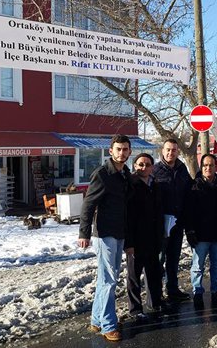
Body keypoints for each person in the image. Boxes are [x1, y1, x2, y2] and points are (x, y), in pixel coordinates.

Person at [78, 134, 134, 342]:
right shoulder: (102, 174)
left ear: (129, 151)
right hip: (105, 233)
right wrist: (84, 233)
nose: (122, 153)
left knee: (106, 279)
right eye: (118, 149)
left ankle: (97, 320)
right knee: (109, 280)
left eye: (125, 149)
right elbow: (88, 205)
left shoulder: (125, 174)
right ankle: (108, 325)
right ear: (111, 151)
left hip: (120, 232)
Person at [152, 138, 193, 301]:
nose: (171, 153)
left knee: (174, 258)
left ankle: (173, 289)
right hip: (161, 224)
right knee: (159, 259)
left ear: (178, 152)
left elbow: (189, 194)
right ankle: (156, 292)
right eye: (168, 149)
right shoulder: (155, 170)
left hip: (178, 222)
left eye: (174, 150)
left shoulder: (182, 169)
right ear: (162, 151)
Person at [125, 153, 164, 320]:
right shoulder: (130, 185)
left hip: (153, 237)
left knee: (153, 273)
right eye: (141, 164)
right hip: (136, 239)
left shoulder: (155, 184)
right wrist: (129, 242)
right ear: (135, 166)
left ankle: (154, 303)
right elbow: (127, 216)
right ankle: (135, 309)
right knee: (134, 276)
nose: (144, 167)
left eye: (147, 165)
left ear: (152, 167)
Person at [184, 154, 217, 308]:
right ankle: (197, 292)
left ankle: (216, 291)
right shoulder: (194, 185)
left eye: (211, 165)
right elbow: (188, 211)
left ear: (216, 166)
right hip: (200, 234)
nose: (208, 168)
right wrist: (190, 231)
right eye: (205, 165)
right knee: (197, 266)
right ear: (201, 167)